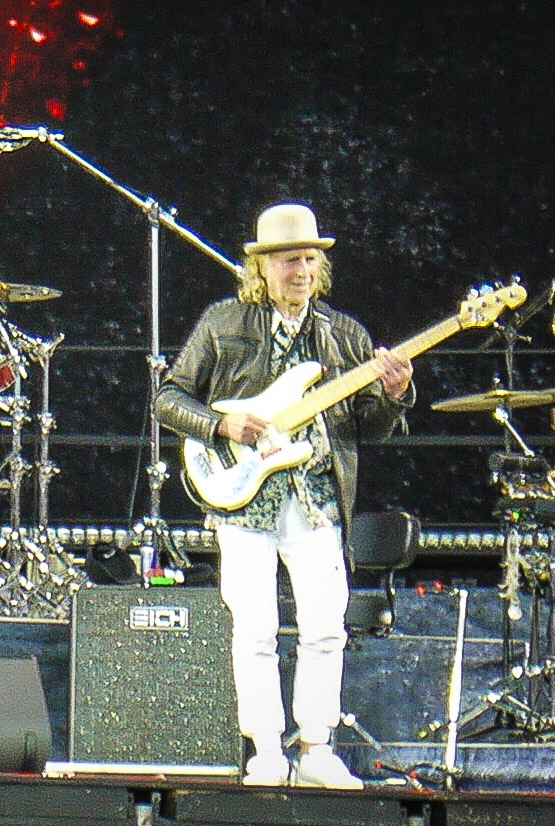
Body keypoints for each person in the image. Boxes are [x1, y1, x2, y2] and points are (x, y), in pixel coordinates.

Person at [155, 203, 414, 788]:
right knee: (255, 629)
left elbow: (368, 429)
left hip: (316, 499)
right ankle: (267, 750)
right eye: (290, 259)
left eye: (310, 260)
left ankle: (317, 748)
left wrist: (394, 394)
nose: (302, 271)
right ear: (263, 267)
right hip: (245, 500)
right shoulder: (224, 323)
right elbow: (168, 399)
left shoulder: (344, 335)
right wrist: (221, 426)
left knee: (326, 627)